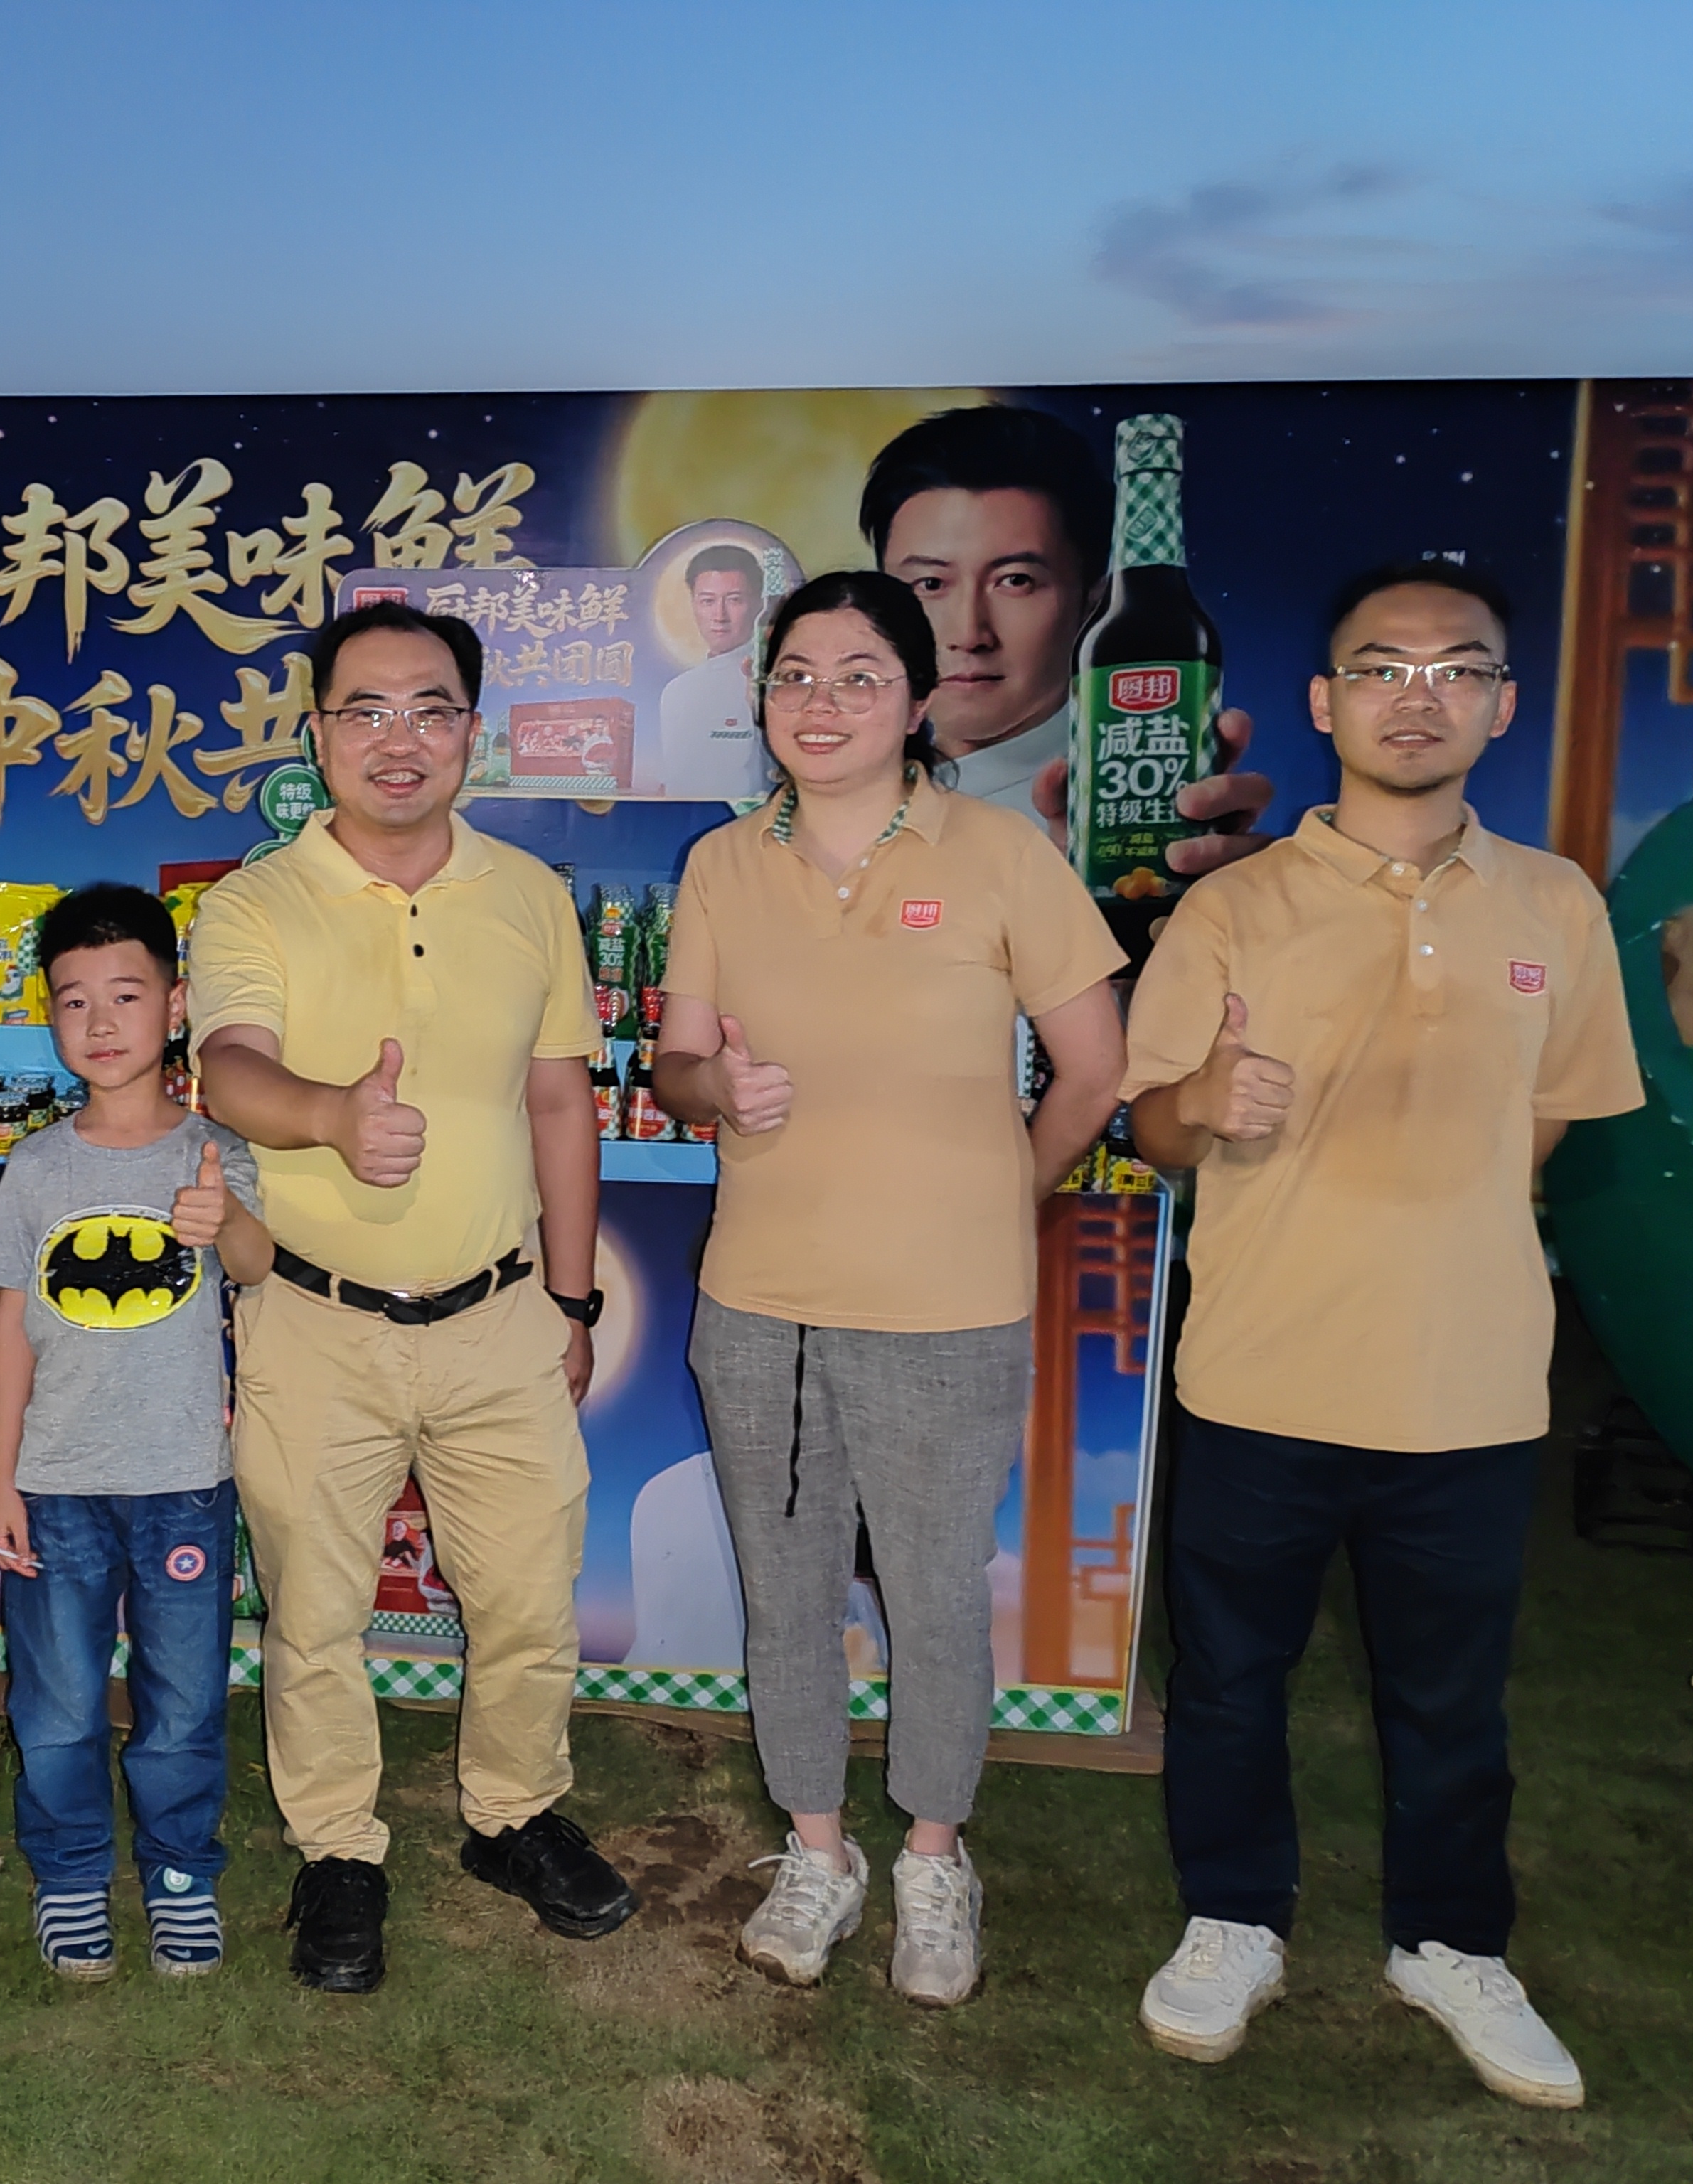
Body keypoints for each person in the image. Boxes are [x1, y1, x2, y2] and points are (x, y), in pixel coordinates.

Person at [1121, 564, 1639, 2107]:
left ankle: (1449, 1941)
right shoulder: (1232, 906)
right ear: (1322, 700)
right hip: (1260, 1372)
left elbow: (1550, 1124)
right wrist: (1201, 1102)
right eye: (1379, 667)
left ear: (1501, 703)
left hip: (1467, 1385)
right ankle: (1233, 1917)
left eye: (1454, 668)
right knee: (1230, 1676)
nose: (1417, 696)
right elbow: (1152, 1128)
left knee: (1450, 1696)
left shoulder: (1557, 905)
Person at [651, 569, 1126, 2008]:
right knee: (785, 1590)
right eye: (795, 676)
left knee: (931, 1593)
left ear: (918, 702)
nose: (822, 703)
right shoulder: (722, 865)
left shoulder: (1000, 853)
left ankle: (930, 1853)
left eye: (860, 676)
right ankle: (817, 1850)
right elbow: (677, 1068)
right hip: (762, 1306)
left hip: (946, 1312)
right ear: (760, 700)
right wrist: (714, 1088)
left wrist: (998, 1191)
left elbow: (1094, 1066)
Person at [190, 599, 634, 1996]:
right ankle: (336, 1848)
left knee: (528, 1594)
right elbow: (227, 1069)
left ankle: (512, 1813)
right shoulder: (253, 901)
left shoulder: (529, 895)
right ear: (316, 734)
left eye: (430, 709)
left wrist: (570, 1304)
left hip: (500, 1316)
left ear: (471, 733)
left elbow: (559, 1102)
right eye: (365, 710)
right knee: (314, 1610)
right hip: (313, 1317)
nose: (400, 738)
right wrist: (332, 1114)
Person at [0, 883, 272, 1981]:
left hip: (183, 1479)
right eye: (74, 1000)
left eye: (127, 995)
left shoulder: (214, 1152)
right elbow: (11, 1329)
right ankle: (70, 1873)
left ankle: (181, 1875)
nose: (100, 1022)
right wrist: (3, 1484)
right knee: (56, 1703)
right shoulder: (39, 1167)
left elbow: (258, 1266)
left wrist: (223, 1220)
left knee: (183, 1704)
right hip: (57, 1484)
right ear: (50, 1016)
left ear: (176, 1006)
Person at [859, 405, 1272, 864]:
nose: (968, 634)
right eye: (930, 585)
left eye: (1016, 581)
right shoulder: (850, 781)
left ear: (1094, 603)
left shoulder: (1123, 816)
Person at [651, 543, 771, 801]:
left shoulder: (771, 679)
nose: (719, 616)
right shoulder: (676, 691)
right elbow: (669, 782)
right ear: (693, 604)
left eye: (735, 600)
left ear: (758, 603)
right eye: (708, 601)